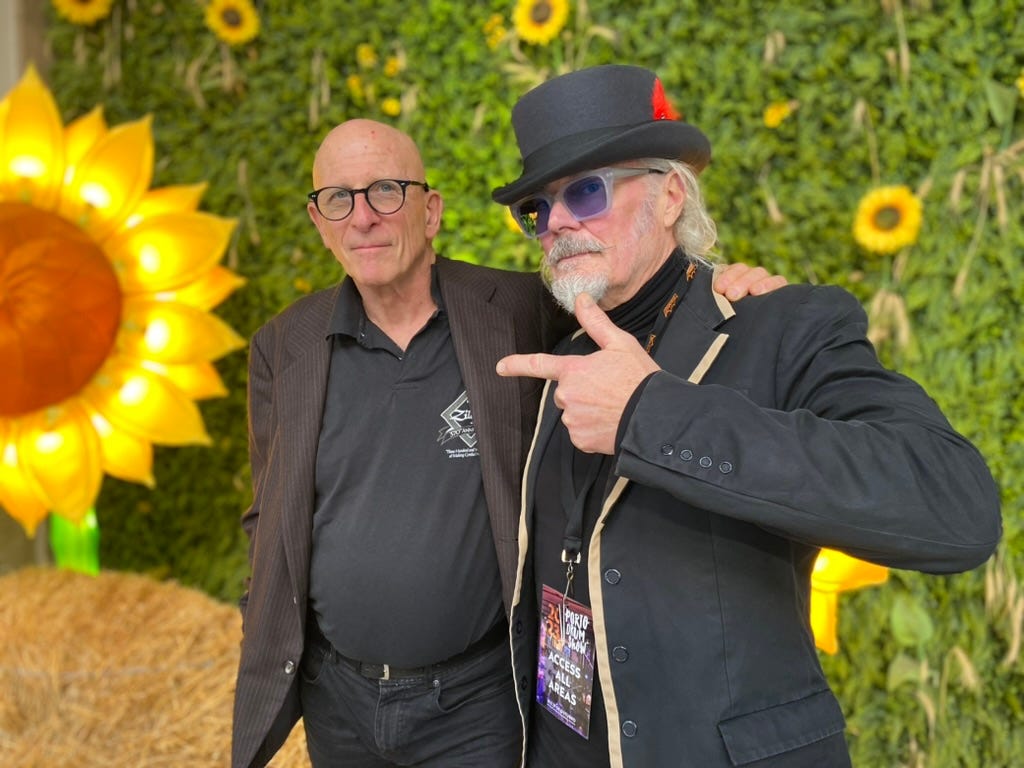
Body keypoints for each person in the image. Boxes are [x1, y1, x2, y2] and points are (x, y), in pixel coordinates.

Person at [230, 118, 783, 768]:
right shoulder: (284, 345)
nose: (363, 218)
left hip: (475, 704)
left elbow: (632, 305)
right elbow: (271, 508)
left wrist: (711, 288)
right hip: (339, 703)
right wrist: (259, 608)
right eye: (338, 199)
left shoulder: (517, 309)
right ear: (319, 220)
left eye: (385, 190)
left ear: (429, 210)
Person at [491, 65, 1002, 768]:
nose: (559, 224)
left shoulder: (785, 324)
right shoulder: (552, 347)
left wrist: (649, 411)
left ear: (670, 195)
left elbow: (954, 507)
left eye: (586, 190)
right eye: (537, 210)